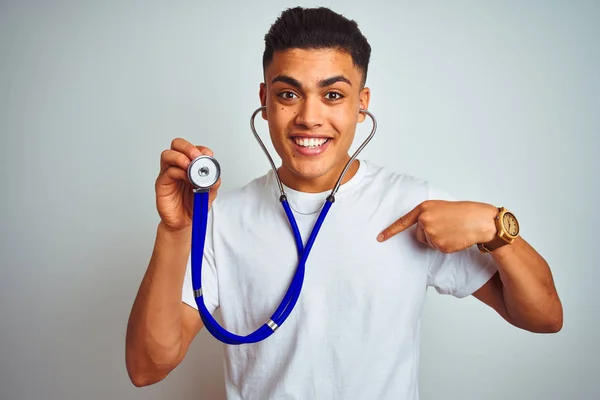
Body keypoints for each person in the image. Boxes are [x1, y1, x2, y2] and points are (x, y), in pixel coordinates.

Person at [125, 6, 563, 399]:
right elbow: (147, 367)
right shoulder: (220, 220)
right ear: (265, 101)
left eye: (332, 95)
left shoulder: (412, 206)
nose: (309, 116)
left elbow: (544, 317)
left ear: (361, 105)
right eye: (288, 94)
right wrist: (175, 230)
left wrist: (495, 225)